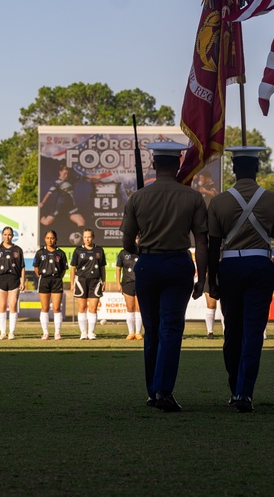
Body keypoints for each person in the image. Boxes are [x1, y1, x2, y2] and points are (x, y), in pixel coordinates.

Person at [120, 141, 208, 413]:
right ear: (179, 163)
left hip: (148, 264)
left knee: (152, 331)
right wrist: (202, 277)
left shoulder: (138, 198)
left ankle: (152, 391)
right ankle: (163, 390)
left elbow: (126, 242)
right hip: (178, 264)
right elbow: (202, 241)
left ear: (154, 165)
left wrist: (141, 249)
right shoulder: (192, 197)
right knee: (171, 329)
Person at [207, 146, 274, 413]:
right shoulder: (273, 199)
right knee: (253, 332)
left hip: (230, 266)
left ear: (234, 170)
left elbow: (213, 244)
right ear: (258, 168)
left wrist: (211, 279)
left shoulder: (219, 202)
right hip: (260, 264)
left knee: (232, 332)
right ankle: (244, 392)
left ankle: (234, 386)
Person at [0, 226, 24, 340]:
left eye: (9, 234)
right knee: (2, 306)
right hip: (1, 279)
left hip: (14, 279)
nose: (7, 237)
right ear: (2, 235)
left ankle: (11, 332)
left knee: (13, 305)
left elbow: (22, 267)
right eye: (5, 234)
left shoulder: (18, 250)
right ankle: (3, 332)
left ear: (13, 236)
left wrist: (22, 281)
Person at [71, 229, 106, 340]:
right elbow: (73, 268)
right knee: (82, 308)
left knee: (93, 308)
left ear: (93, 237)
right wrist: (72, 284)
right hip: (81, 281)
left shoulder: (99, 250)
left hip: (95, 281)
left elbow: (102, 267)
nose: (87, 239)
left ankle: (91, 332)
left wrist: (104, 281)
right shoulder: (78, 250)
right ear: (83, 237)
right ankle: (83, 333)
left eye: (89, 237)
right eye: (85, 237)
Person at [33, 230, 68, 340]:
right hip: (44, 280)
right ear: (44, 239)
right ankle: (45, 333)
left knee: (57, 308)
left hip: (56, 280)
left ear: (56, 239)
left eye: (52, 238)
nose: (50, 240)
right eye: (48, 238)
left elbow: (63, 269)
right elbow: (36, 267)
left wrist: (58, 277)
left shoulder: (60, 253)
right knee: (45, 307)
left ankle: (57, 332)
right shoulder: (40, 253)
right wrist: (42, 277)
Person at [39, 164, 86, 242]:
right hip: (59, 206)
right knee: (46, 222)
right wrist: (42, 203)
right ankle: (39, 217)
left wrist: (95, 177)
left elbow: (84, 177)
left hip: (70, 206)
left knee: (81, 221)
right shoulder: (57, 183)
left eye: (67, 173)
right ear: (60, 172)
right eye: (64, 173)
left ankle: (80, 240)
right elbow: (49, 193)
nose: (66, 175)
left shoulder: (71, 179)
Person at [116, 247, 142, 340]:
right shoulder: (123, 252)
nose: (136, 240)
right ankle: (131, 332)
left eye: (138, 238)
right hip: (127, 283)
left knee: (139, 308)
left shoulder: (143, 251)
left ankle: (138, 332)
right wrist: (118, 283)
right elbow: (118, 268)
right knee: (130, 308)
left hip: (141, 282)